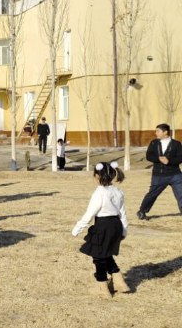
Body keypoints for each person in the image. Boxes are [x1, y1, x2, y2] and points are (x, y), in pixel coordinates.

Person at [72, 161, 130, 298]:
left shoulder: (99, 193)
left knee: (99, 256)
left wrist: (77, 229)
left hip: (103, 225)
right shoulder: (117, 191)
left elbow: (90, 213)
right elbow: (123, 213)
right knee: (106, 253)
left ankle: (102, 288)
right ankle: (120, 283)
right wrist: (124, 230)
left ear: (97, 176)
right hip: (116, 225)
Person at [137, 123, 182, 220]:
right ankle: (142, 211)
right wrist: (158, 158)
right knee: (152, 194)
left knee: (181, 194)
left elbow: (180, 157)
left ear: (165, 132)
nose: (156, 133)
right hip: (159, 175)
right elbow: (149, 156)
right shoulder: (154, 143)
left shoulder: (176, 144)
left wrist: (169, 161)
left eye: (158, 131)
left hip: (175, 175)